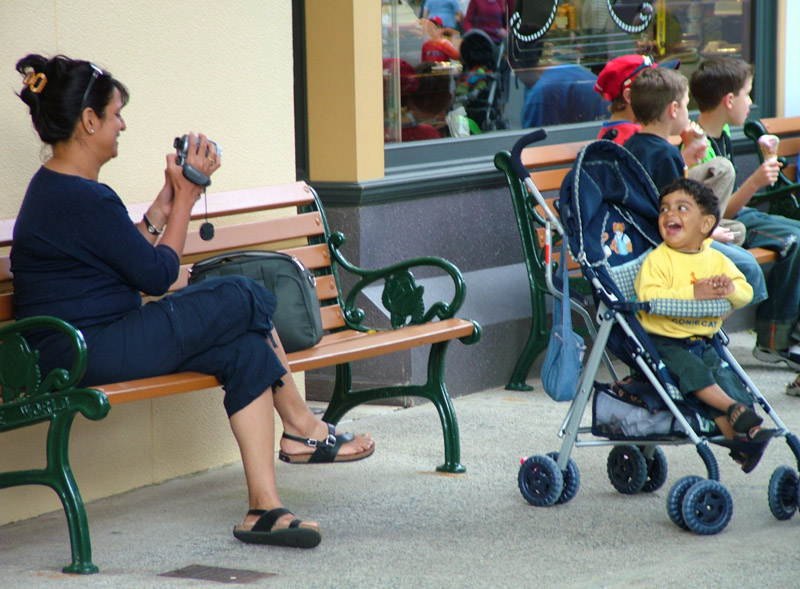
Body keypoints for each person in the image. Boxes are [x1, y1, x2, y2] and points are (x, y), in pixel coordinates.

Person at [12, 54, 374, 549]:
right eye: (115, 113)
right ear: (89, 120)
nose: (123, 124)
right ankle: (303, 426)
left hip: (87, 340)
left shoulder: (64, 191)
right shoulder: (80, 198)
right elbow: (157, 275)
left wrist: (165, 200)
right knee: (242, 292)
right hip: (82, 348)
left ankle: (263, 509)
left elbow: (129, 254)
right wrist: (188, 195)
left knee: (244, 348)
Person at [635, 178, 775, 472]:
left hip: (703, 339)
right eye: (664, 209)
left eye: (681, 208)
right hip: (665, 340)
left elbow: (745, 290)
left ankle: (742, 437)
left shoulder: (714, 258)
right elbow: (649, 297)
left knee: (725, 379)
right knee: (695, 374)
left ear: (705, 224)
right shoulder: (658, 260)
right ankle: (733, 415)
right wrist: (693, 293)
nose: (669, 214)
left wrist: (728, 290)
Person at [689, 57, 800, 392]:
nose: (751, 102)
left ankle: (790, 335)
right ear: (729, 100)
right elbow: (716, 213)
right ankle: (773, 338)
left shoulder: (720, 132)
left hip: (737, 217)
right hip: (724, 222)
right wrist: (755, 182)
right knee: (792, 239)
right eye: (748, 94)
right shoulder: (700, 148)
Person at [622, 66, 768, 309]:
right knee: (747, 266)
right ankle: (706, 328)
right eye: (686, 104)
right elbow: (673, 211)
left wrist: (685, 160)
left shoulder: (632, 145)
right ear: (674, 109)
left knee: (738, 231)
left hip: (647, 231)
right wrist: (706, 234)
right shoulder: (666, 153)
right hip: (667, 240)